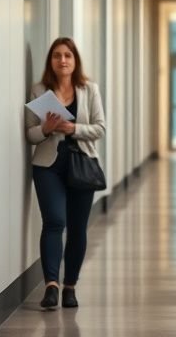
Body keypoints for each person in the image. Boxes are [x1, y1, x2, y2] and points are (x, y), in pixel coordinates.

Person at [24, 37, 106, 310]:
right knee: (54, 222)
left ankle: (70, 286)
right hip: (49, 165)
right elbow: (30, 134)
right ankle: (51, 286)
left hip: (82, 162)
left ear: (75, 60)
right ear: (51, 61)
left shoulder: (89, 90)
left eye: (68, 55)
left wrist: (73, 129)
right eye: (57, 55)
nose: (62, 60)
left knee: (77, 228)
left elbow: (100, 128)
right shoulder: (39, 91)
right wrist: (46, 129)